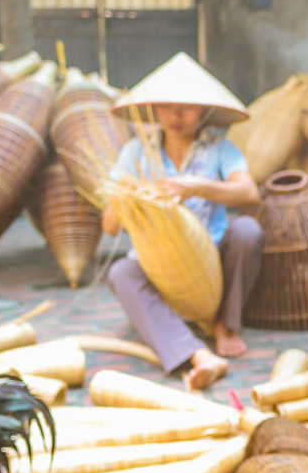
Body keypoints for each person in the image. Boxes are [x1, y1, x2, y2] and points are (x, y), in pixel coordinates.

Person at [102, 54, 263, 388]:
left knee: (247, 230)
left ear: (203, 111)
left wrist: (198, 187)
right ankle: (196, 354)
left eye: (186, 107)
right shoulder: (136, 153)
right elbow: (109, 227)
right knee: (120, 272)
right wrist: (130, 196)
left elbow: (249, 193)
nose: (175, 116)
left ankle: (225, 326)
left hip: (212, 264)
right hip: (158, 267)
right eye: (166, 107)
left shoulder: (220, 148)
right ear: (155, 110)